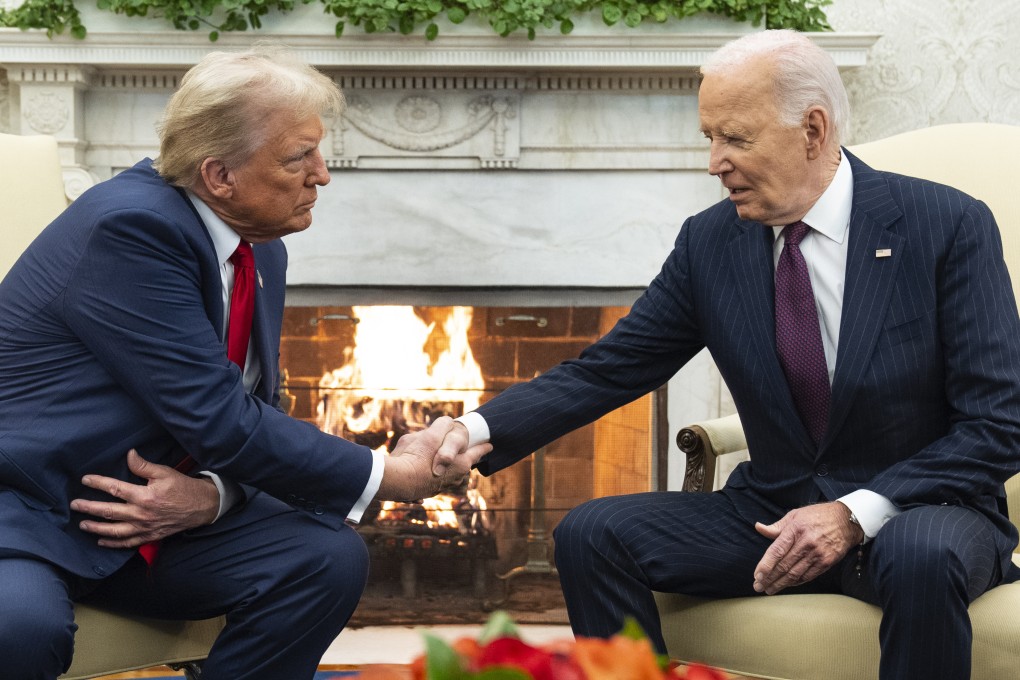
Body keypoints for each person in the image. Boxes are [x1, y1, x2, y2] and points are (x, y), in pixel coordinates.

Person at [439, 29, 1020, 680]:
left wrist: (854, 513)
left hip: (920, 509)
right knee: (590, 533)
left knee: (921, 555)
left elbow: (999, 424)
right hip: (773, 513)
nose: (714, 162)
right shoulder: (710, 243)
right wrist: (474, 431)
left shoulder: (946, 225)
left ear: (813, 130)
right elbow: (612, 366)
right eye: (709, 138)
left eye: (735, 139)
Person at [0, 46, 487, 680]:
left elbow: (258, 409)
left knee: (323, 557)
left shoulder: (257, 245)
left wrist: (214, 496)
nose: (323, 174)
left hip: (149, 524)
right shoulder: (129, 230)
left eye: (318, 150)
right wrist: (388, 476)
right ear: (219, 175)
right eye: (298, 157)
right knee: (18, 628)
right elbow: (220, 418)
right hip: (35, 512)